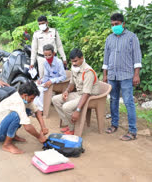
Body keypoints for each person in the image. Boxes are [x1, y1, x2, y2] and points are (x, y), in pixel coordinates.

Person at [102, 13, 142, 141]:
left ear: (123, 24)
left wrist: (136, 74)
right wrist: (105, 75)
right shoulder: (109, 39)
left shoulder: (132, 37)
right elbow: (106, 58)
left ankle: (132, 131)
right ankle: (114, 124)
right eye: (112, 25)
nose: (114, 27)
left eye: (117, 24)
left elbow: (137, 57)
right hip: (112, 75)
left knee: (128, 101)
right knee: (113, 100)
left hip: (126, 75)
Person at [0, 81, 48, 154]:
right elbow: (27, 127)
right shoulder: (17, 102)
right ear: (25, 95)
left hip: (3, 126)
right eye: (32, 98)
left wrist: (43, 127)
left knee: (27, 110)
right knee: (16, 116)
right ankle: (7, 144)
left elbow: (37, 111)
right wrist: (39, 136)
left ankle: (12, 135)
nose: (32, 101)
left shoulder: (23, 98)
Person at [52, 48, 100, 135]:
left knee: (66, 107)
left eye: (76, 61)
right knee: (55, 99)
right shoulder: (75, 67)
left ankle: (72, 128)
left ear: (82, 58)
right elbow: (71, 84)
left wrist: (78, 110)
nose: (73, 63)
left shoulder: (88, 72)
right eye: (72, 61)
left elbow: (86, 93)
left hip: (89, 97)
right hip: (79, 94)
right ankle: (69, 125)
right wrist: (66, 91)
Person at [33, 44, 66, 111]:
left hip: (58, 83)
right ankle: (35, 108)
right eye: (45, 55)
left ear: (53, 53)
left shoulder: (59, 62)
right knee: (35, 86)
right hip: (48, 82)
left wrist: (52, 81)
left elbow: (63, 76)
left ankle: (41, 109)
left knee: (41, 90)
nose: (47, 57)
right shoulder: (45, 63)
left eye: (49, 55)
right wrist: (41, 80)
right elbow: (46, 76)